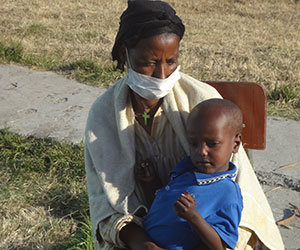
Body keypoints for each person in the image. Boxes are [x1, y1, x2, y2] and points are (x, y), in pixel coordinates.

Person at [84, 1, 284, 250]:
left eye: (171, 61)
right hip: (143, 235)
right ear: (125, 53)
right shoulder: (104, 116)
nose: (162, 74)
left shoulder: (200, 101)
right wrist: (145, 245)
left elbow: (242, 197)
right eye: (149, 62)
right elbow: (106, 205)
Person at [143, 99, 244, 250]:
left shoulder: (227, 193)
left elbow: (221, 246)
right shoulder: (185, 170)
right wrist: (151, 182)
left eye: (212, 143)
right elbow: (165, 205)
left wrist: (193, 217)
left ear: (235, 144)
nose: (201, 152)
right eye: (193, 143)